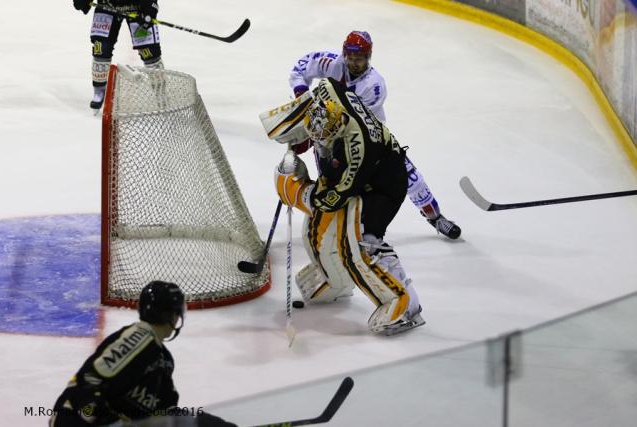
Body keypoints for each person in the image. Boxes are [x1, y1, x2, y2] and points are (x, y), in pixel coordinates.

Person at [269, 77, 425, 335]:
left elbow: (333, 198)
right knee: (333, 227)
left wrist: (296, 192)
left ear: (338, 128)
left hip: (383, 187)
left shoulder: (356, 152)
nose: (319, 144)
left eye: (323, 139)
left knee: (362, 244)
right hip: (374, 169)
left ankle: (403, 302)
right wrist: (291, 126)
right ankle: (335, 280)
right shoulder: (330, 95)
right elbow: (326, 84)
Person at [288, 31, 461, 239]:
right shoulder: (331, 62)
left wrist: (310, 135)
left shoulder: (374, 85)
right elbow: (300, 68)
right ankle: (333, 229)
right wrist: (301, 95)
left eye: (358, 59)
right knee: (332, 184)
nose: (353, 63)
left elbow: (353, 123)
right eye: (350, 58)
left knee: (411, 178)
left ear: (368, 57)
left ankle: (436, 217)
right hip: (329, 137)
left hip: (372, 139)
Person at [49, 281, 236, 427]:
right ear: (173, 315)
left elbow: (165, 410)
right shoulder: (139, 338)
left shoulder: (162, 358)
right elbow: (87, 384)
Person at [72, 0, 164, 110]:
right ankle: (99, 90)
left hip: (137, 6)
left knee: (149, 51)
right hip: (107, 4)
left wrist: (150, 4)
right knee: (101, 47)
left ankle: (161, 92)